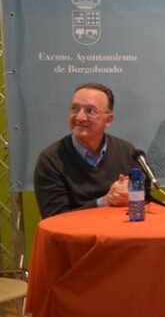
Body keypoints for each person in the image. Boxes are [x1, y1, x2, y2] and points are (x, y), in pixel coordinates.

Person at [34, 83, 136, 218]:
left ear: (108, 120)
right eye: (75, 109)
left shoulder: (127, 151)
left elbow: (142, 200)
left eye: (90, 111)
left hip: (119, 229)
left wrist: (129, 193)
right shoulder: (51, 159)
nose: (79, 117)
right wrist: (104, 202)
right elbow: (54, 217)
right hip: (75, 232)